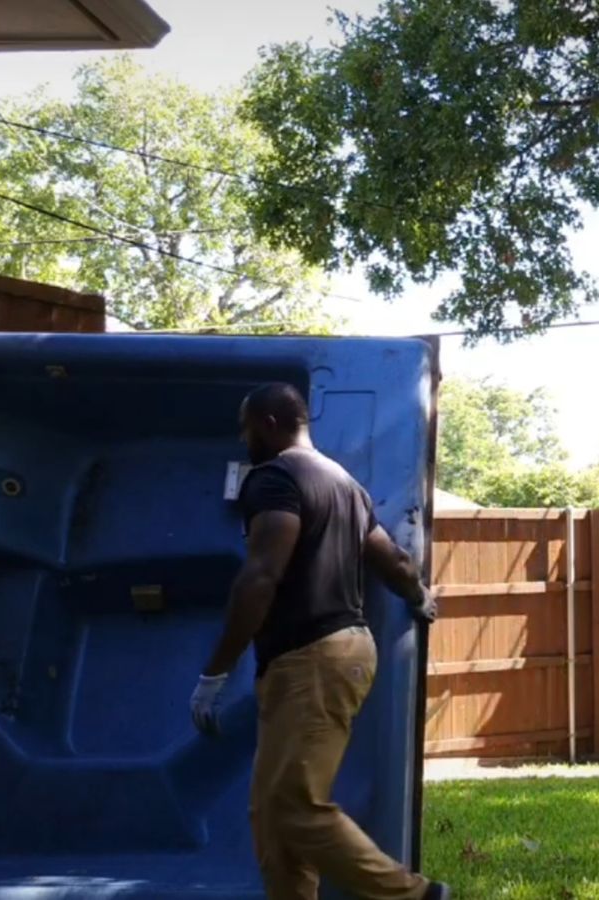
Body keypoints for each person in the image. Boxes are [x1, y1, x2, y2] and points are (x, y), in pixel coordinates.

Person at [191, 383, 450, 900]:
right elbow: (393, 559)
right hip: (339, 651)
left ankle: (415, 896)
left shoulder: (273, 479)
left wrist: (214, 672)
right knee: (271, 813)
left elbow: (261, 575)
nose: (243, 439)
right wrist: (418, 594)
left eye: (245, 428)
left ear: (267, 422)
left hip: (313, 656)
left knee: (293, 805)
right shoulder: (345, 484)